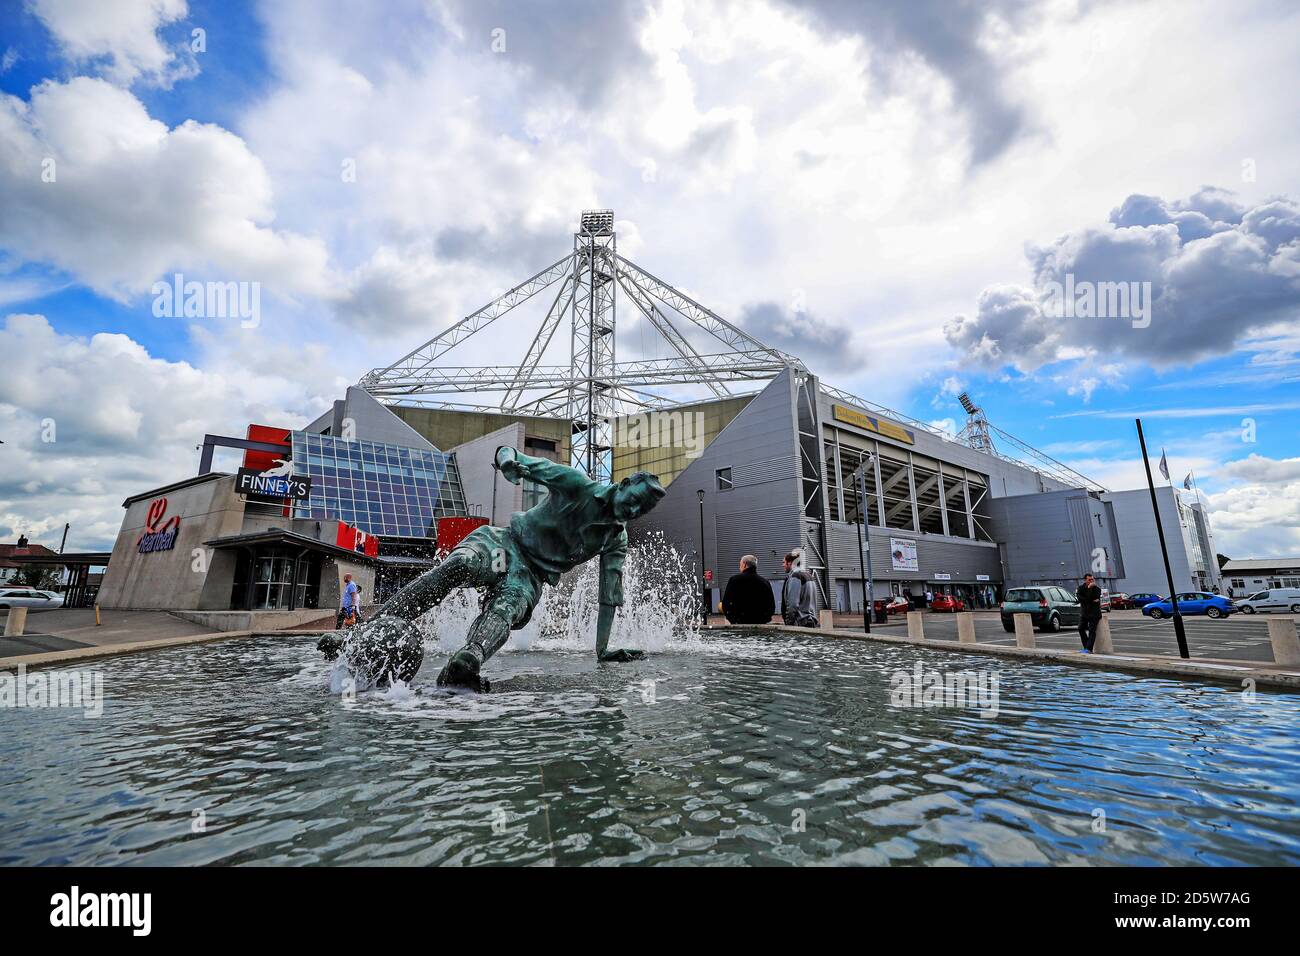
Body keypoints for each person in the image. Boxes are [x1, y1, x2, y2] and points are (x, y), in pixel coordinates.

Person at [324, 445, 666, 692]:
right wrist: (508, 464)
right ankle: (355, 637)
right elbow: (512, 454)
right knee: (461, 565)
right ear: (622, 485)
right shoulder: (577, 484)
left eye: (640, 510)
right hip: (504, 545)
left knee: (507, 607)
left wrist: (602, 651)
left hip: (529, 575)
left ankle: (467, 661)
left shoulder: (614, 540)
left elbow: (609, 597)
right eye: (633, 500)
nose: (632, 510)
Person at [722, 554, 776, 624]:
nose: (739, 567)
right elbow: (771, 607)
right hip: (760, 623)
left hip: (739, 623)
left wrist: (732, 620)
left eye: (740, 565)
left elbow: (726, 603)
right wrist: (764, 620)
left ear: (744, 565)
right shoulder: (765, 582)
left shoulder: (734, 580)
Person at [781, 551, 818, 627]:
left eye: (784, 562)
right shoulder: (808, 575)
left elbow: (792, 604)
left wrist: (789, 623)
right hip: (810, 621)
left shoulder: (795, 575)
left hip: (800, 622)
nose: (783, 565)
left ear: (790, 563)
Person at [1076, 572, 1103, 653]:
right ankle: (1086, 646)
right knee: (1080, 628)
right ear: (1085, 580)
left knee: (1092, 630)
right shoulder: (1080, 588)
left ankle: (1089, 649)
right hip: (1084, 613)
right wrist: (1089, 597)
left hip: (1094, 614)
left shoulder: (1097, 589)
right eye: (1089, 580)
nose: (1091, 581)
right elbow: (1081, 600)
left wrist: (1090, 590)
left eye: (1092, 579)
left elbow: (1091, 599)